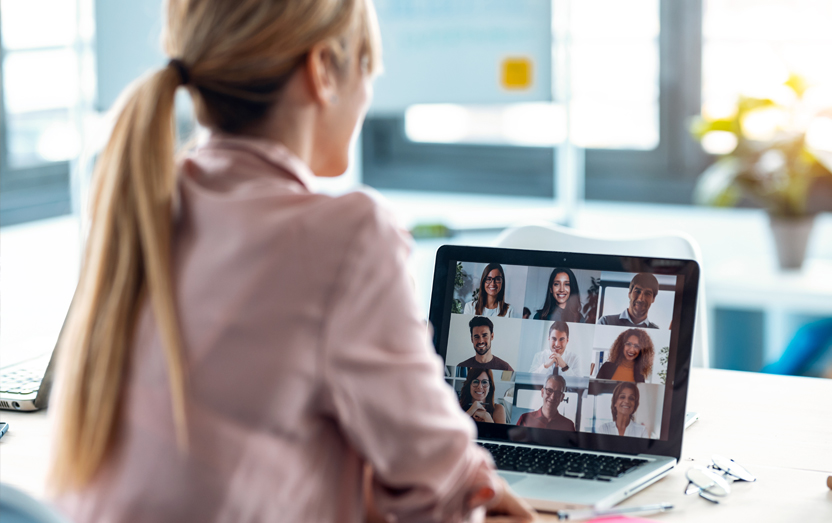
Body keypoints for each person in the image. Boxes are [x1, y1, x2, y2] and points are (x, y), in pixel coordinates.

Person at [47, 1, 534, 522]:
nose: (368, 94)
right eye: (367, 68)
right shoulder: (347, 236)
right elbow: (439, 489)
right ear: (323, 70)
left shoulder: (147, 202)